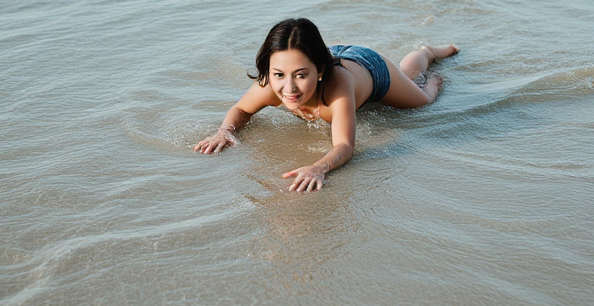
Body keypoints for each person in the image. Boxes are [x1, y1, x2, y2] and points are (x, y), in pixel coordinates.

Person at [194, 18, 459, 193]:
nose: (289, 88)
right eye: (279, 75)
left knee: (423, 100)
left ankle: (427, 55)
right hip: (322, 52)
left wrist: (318, 167)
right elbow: (241, 110)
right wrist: (224, 131)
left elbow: (344, 146)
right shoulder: (271, 82)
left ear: (319, 71)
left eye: (300, 76)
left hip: (371, 68)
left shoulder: (337, 85)